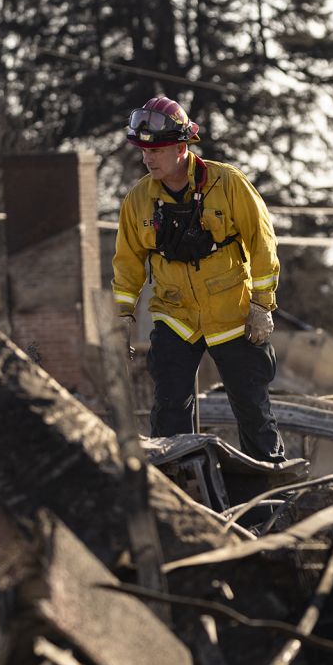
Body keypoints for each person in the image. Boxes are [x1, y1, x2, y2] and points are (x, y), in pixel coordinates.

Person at [112, 96, 285, 463]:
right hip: (176, 317)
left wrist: (261, 305)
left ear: (180, 146)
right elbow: (128, 264)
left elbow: (262, 244)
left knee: (253, 412)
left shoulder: (229, 184)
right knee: (169, 411)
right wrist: (122, 318)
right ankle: (178, 496)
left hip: (234, 317)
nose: (147, 158)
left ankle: (270, 500)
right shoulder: (138, 201)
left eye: (156, 149)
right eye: (143, 150)